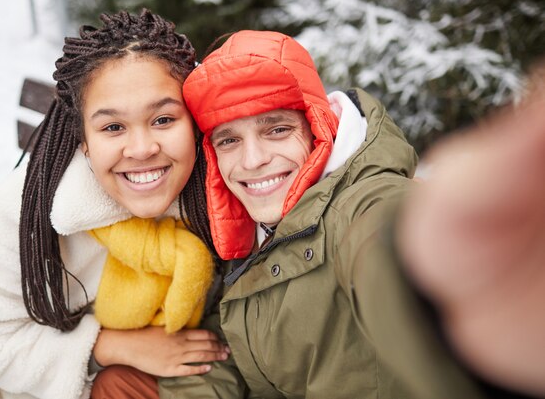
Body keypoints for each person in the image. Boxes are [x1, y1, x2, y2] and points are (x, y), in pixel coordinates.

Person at [158, 30, 545, 399]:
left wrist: (444, 283)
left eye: (276, 130)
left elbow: (384, 251)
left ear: (317, 127)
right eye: (229, 140)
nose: (253, 160)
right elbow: (225, 354)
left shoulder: (362, 207)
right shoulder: (244, 229)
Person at [0, 10, 228, 399]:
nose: (143, 148)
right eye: (113, 127)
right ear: (83, 139)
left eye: (163, 119)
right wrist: (109, 346)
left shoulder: (227, 183)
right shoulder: (27, 208)